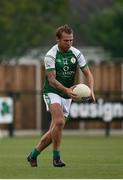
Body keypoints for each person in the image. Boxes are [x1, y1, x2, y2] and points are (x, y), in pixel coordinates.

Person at [27, 24, 95, 167]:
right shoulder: (50, 55)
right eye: (66, 40)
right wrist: (66, 90)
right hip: (52, 91)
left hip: (67, 94)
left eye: (71, 40)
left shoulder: (76, 53)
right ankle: (56, 158)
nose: (69, 43)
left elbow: (88, 73)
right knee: (59, 122)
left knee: (55, 129)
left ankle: (33, 155)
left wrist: (91, 90)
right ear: (58, 40)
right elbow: (52, 80)